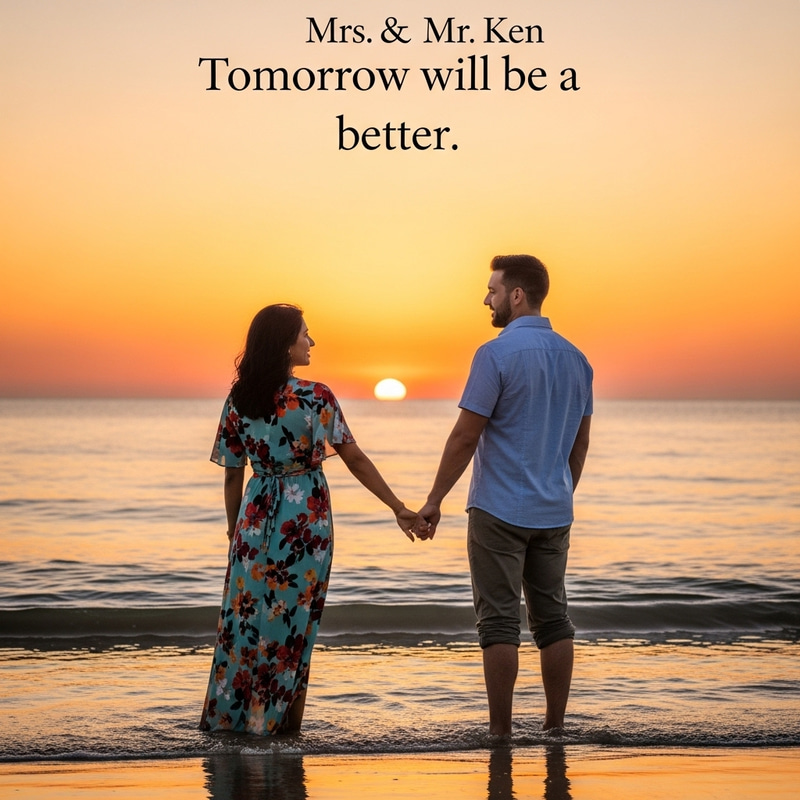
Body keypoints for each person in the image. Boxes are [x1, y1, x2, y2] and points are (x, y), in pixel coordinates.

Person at [200, 303, 418, 736]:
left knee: (244, 624)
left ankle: (233, 725)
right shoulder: (316, 396)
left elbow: (231, 473)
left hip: (251, 524)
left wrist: (233, 533)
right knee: (294, 628)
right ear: (285, 344)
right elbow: (353, 458)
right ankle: (281, 732)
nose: (311, 341)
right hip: (304, 525)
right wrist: (398, 507)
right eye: (305, 334)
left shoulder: (239, 398)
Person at [415, 254, 593, 736]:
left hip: (497, 510)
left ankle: (501, 734)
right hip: (554, 510)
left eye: (492, 290)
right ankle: (555, 729)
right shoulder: (578, 360)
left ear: (516, 295)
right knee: (554, 619)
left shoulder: (494, 354)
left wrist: (433, 500)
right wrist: (559, 491)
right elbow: (580, 442)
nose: (486, 298)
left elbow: (464, 436)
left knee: (497, 625)